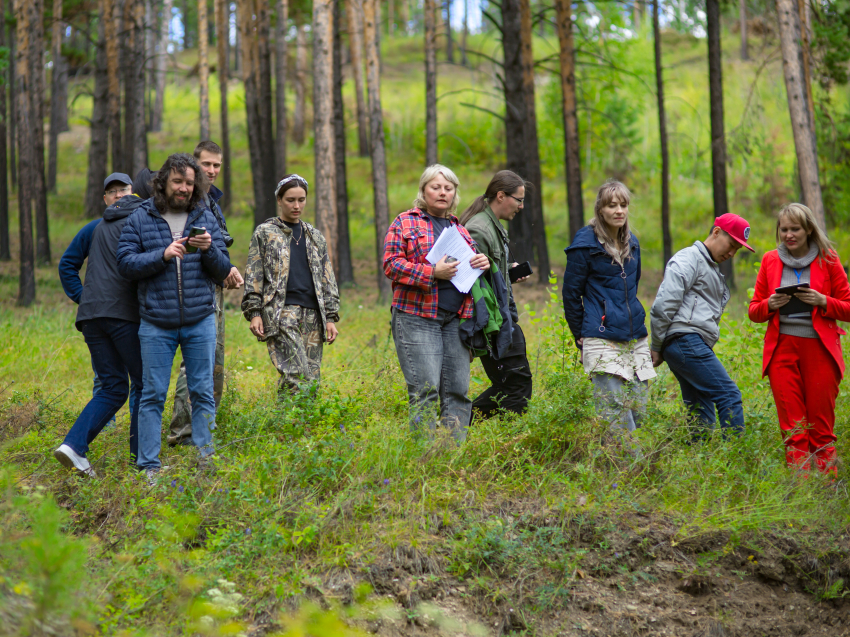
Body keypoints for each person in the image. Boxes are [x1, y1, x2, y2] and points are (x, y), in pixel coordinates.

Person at [117, 153, 232, 482]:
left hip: (199, 319)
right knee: (152, 394)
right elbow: (125, 264)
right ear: (164, 181)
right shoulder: (142, 217)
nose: (183, 188)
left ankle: (205, 459)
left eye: (189, 183)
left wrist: (210, 248)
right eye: (178, 181)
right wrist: (162, 255)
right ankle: (149, 467)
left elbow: (224, 269)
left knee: (203, 391)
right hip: (155, 322)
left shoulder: (204, 214)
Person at [383, 164, 490, 444]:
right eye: (436, 187)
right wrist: (432, 273)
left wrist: (482, 263)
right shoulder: (405, 222)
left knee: (458, 391)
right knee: (425, 389)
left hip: (455, 320)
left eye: (448, 188)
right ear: (423, 191)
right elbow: (391, 265)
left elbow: (470, 271)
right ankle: (424, 457)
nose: (442, 192)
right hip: (417, 317)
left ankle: (452, 456)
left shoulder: (460, 229)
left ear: (454, 194)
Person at [748, 203, 850, 475]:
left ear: (808, 229)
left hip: (820, 350)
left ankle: (827, 488)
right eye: (784, 229)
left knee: (820, 427)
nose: (789, 235)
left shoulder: (828, 258)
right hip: (782, 350)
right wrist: (770, 304)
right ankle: (801, 492)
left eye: (795, 229)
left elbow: (848, 306)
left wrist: (823, 300)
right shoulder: (770, 260)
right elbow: (754, 311)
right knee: (793, 428)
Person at [54, 173, 145, 476]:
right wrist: (83, 296)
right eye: (112, 192)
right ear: (104, 199)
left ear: (133, 193)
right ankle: (142, 461)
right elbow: (67, 263)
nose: (119, 195)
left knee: (113, 386)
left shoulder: (124, 223)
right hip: (118, 315)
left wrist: (90, 302)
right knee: (144, 383)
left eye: (124, 190)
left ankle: (74, 446)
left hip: (93, 319)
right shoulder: (98, 227)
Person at [563, 181, 654, 444]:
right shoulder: (584, 245)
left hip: (634, 335)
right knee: (615, 414)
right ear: (600, 209)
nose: (619, 211)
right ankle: (626, 475)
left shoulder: (632, 243)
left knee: (640, 410)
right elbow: (571, 294)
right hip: (600, 336)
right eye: (611, 205)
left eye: (623, 205)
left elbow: (632, 287)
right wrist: (581, 331)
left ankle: (630, 470)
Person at [650, 213, 754, 435]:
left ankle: (699, 460)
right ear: (716, 232)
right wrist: (656, 347)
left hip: (687, 343)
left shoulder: (709, 265)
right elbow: (663, 306)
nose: (732, 253)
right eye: (731, 245)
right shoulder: (689, 259)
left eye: (737, 250)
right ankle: (738, 460)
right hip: (685, 340)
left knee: (701, 410)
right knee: (729, 394)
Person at [168, 141, 243, 447]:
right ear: (193, 164)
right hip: (192, 291)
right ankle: (182, 432)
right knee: (195, 363)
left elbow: (217, 245)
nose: (212, 171)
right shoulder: (187, 201)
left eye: (217, 166)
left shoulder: (211, 200)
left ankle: (202, 428)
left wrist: (228, 268)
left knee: (213, 363)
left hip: (213, 289)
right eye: (206, 164)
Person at [242, 175, 340, 396]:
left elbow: (327, 277)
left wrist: (331, 317)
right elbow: (254, 274)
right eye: (290, 200)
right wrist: (255, 312)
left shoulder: (314, 236)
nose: (297, 206)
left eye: (301, 200)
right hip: (281, 313)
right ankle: (290, 425)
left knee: (312, 379)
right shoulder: (265, 232)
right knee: (295, 374)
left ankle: (300, 428)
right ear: (279, 199)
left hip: (313, 315)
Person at [458, 170, 533, 421]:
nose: (521, 206)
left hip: (504, 319)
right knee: (514, 391)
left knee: (515, 388)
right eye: (518, 200)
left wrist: (507, 274)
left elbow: (488, 276)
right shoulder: (479, 229)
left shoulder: (492, 226)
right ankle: (454, 424)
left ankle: (455, 424)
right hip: (494, 324)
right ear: (501, 196)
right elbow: (472, 285)